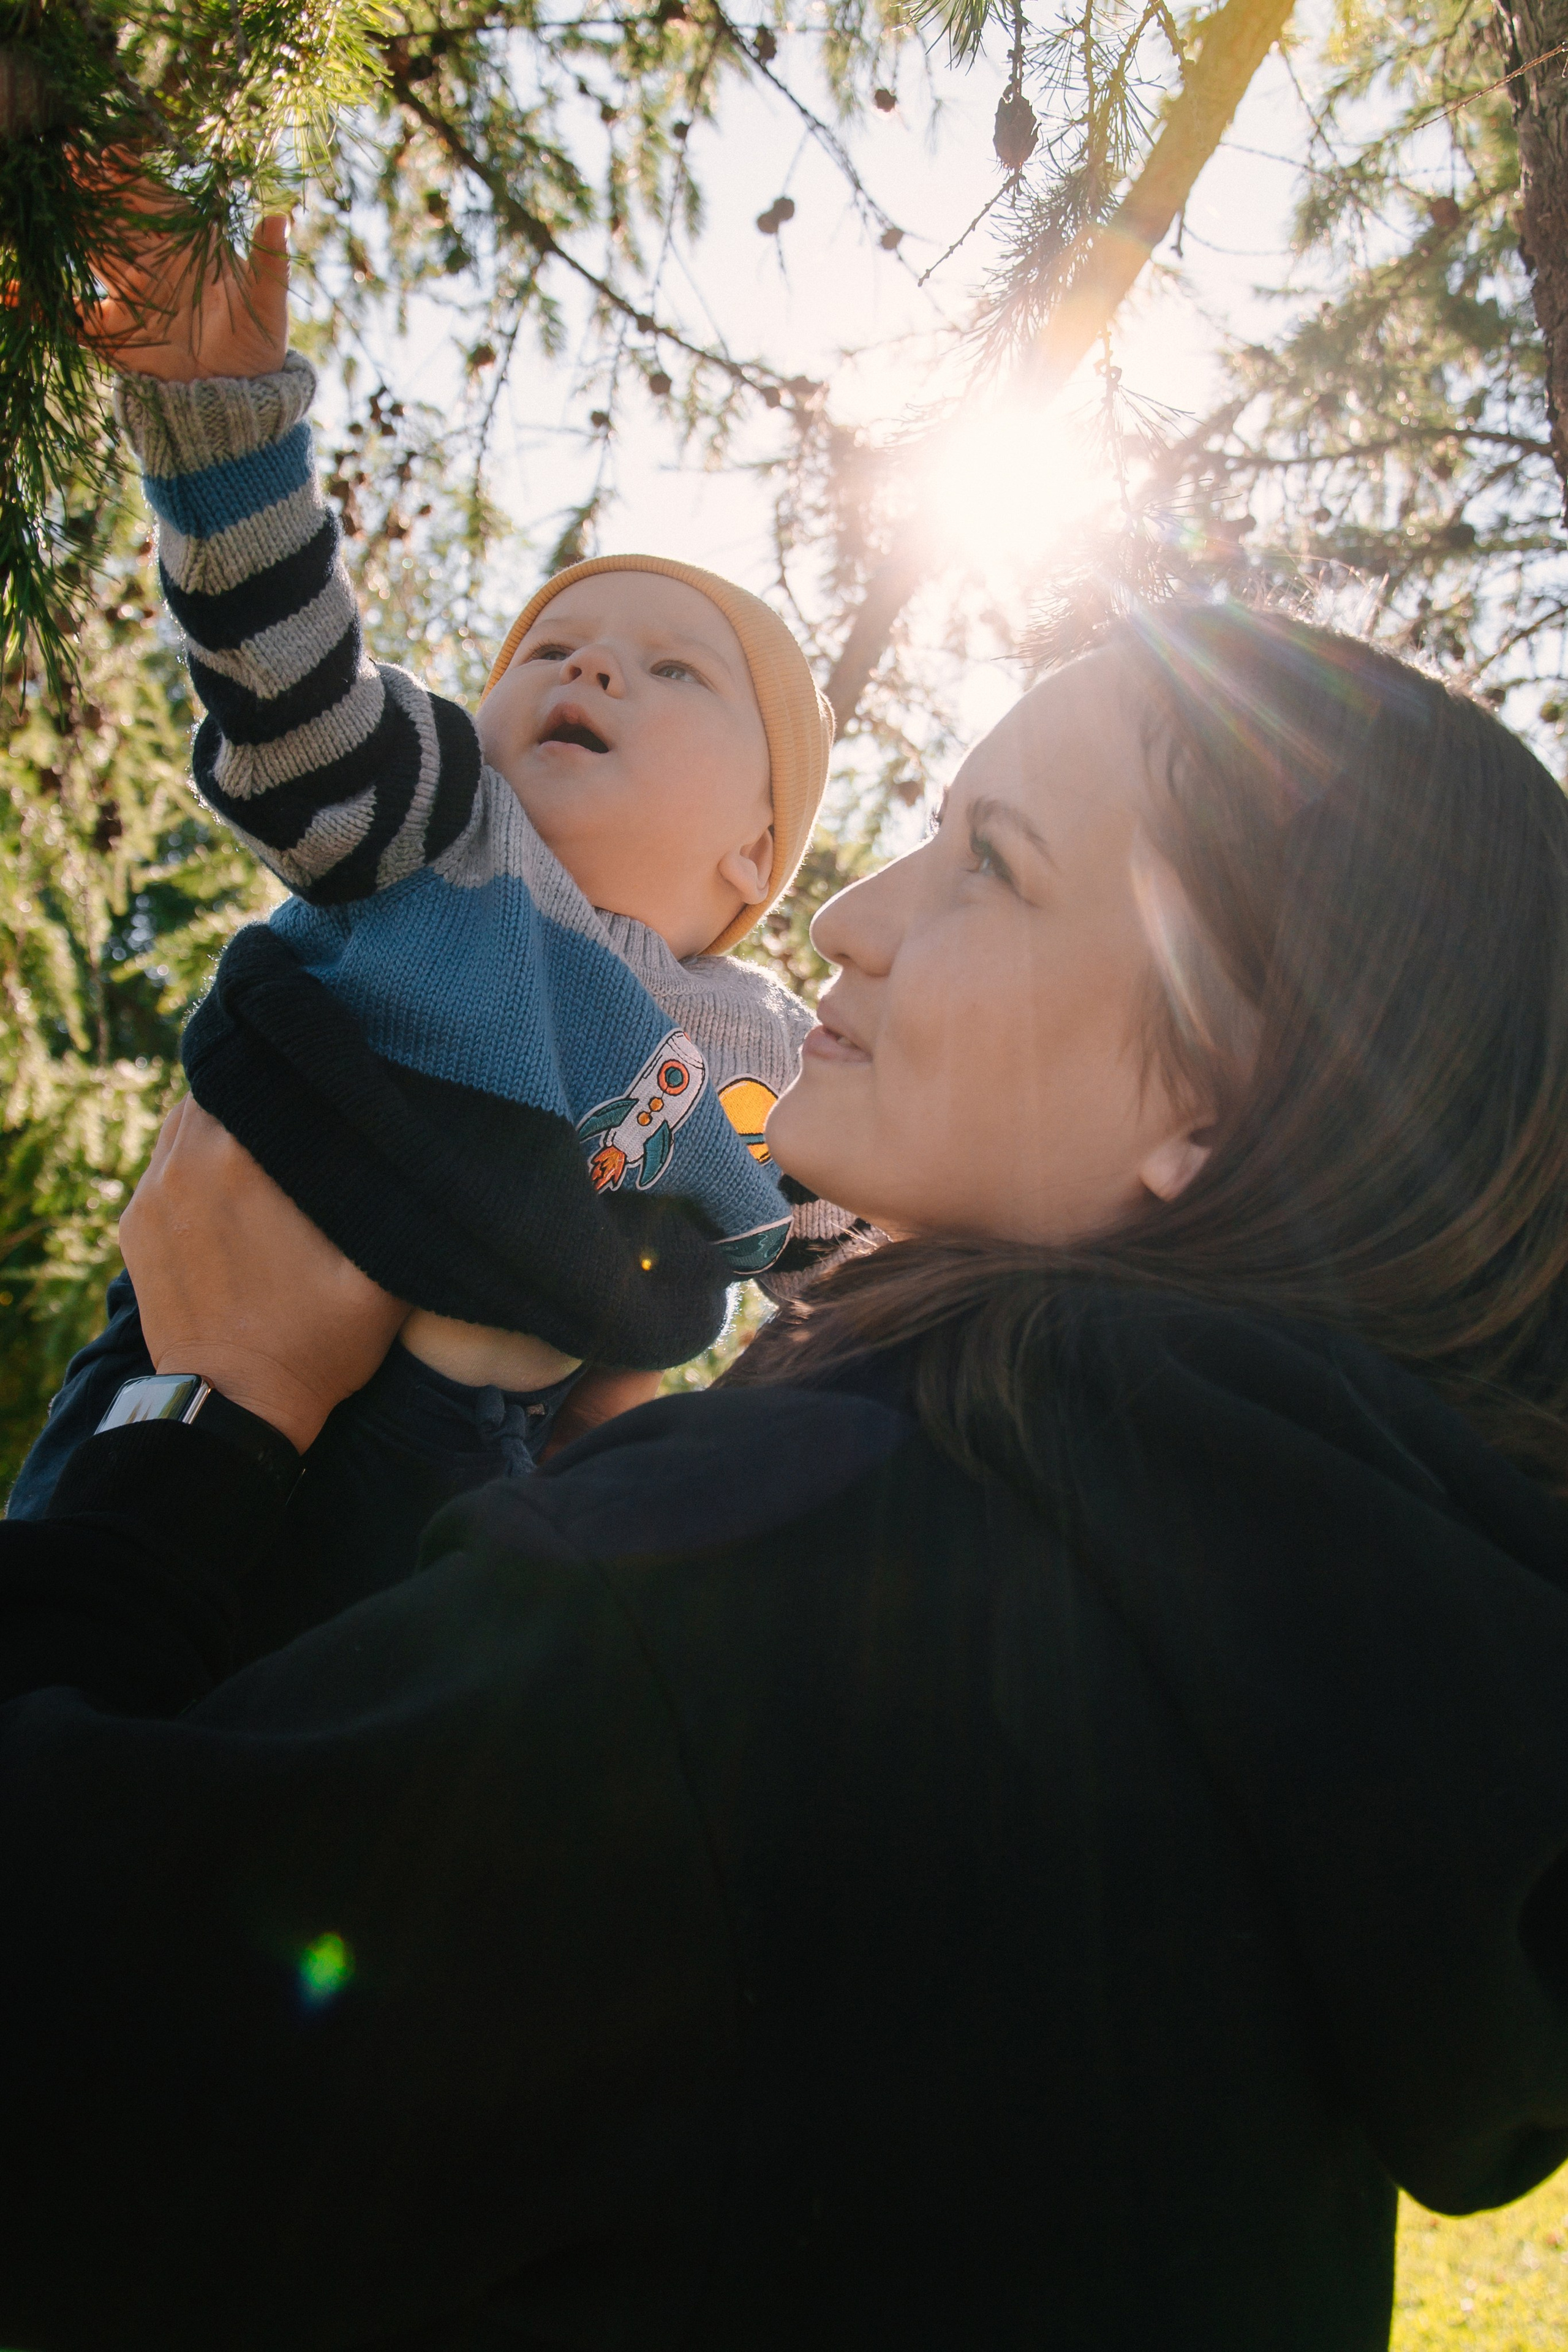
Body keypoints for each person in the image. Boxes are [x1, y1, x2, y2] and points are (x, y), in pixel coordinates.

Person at [4, 601, 1568, 2352]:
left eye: (994, 862)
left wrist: (205, 1414)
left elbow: (67, 2092)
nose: (852, 916)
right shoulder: (1337, 1692)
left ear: (1213, 1097)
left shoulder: (831, 1598)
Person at [6, 205, 872, 1602]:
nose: (588, 673)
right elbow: (289, 691)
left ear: (752, 854)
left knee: (353, 1731)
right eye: (554, 648)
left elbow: (879, 1282)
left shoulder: (759, 1056)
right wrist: (217, 426)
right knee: (92, 1633)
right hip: (206, 1343)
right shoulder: (437, 833)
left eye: (671, 673)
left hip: (489, 1459)